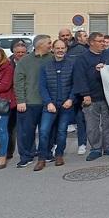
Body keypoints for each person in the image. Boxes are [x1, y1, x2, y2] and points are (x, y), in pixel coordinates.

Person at [73, 32, 109, 162]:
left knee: (108, 124)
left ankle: (108, 147)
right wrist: (85, 94)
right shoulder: (83, 58)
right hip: (91, 97)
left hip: (107, 96)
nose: (103, 43)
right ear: (91, 42)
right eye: (100, 41)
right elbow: (79, 77)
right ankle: (96, 149)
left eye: (103, 41)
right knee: (92, 125)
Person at [35, 40, 75, 171]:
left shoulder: (72, 64)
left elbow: (75, 84)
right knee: (44, 131)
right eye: (57, 48)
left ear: (66, 49)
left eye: (62, 48)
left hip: (66, 104)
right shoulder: (45, 66)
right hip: (50, 105)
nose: (60, 50)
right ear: (52, 49)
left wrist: (71, 99)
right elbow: (42, 86)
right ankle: (42, 158)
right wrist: (48, 102)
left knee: (62, 132)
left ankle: (59, 155)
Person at [14, 34, 52, 168]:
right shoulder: (24, 61)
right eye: (49, 43)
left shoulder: (52, 58)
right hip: (29, 102)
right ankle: (26, 156)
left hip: (47, 102)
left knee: (46, 131)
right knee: (26, 131)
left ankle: (46, 153)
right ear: (40, 45)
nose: (50, 45)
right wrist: (20, 100)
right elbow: (18, 82)